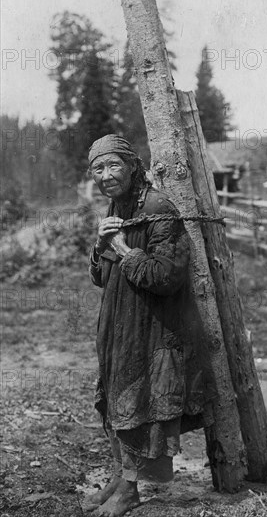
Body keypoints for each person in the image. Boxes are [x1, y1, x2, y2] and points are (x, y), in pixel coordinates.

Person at [83, 135, 210, 517]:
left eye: (113, 166)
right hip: (121, 325)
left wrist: (122, 249)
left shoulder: (157, 207)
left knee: (139, 403)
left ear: (133, 166)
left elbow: (167, 276)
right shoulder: (119, 205)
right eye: (98, 169)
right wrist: (100, 244)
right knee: (117, 400)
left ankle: (132, 491)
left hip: (153, 327)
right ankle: (122, 478)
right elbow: (102, 277)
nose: (105, 175)